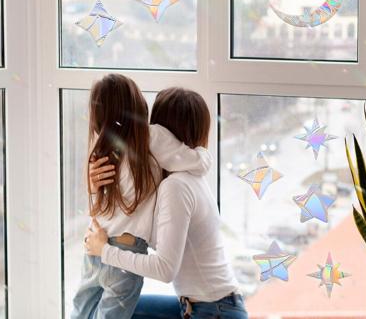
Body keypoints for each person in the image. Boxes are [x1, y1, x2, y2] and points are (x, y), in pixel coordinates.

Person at [85, 87, 248, 319]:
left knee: (115, 311)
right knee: (114, 307)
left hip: (214, 311)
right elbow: (142, 232)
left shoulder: (177, 186)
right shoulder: (181, 179)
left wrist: (104, 251)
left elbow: (165, 270)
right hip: (204, 306)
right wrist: (97, 189)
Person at [71, 75, 212, 319]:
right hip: (125, 251)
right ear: (137, 105)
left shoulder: (102, 148)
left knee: (80, 312)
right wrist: (203, 152)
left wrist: (92, 190)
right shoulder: (150, 136)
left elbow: (99, 207)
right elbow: (196, 163)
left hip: (94, 244)